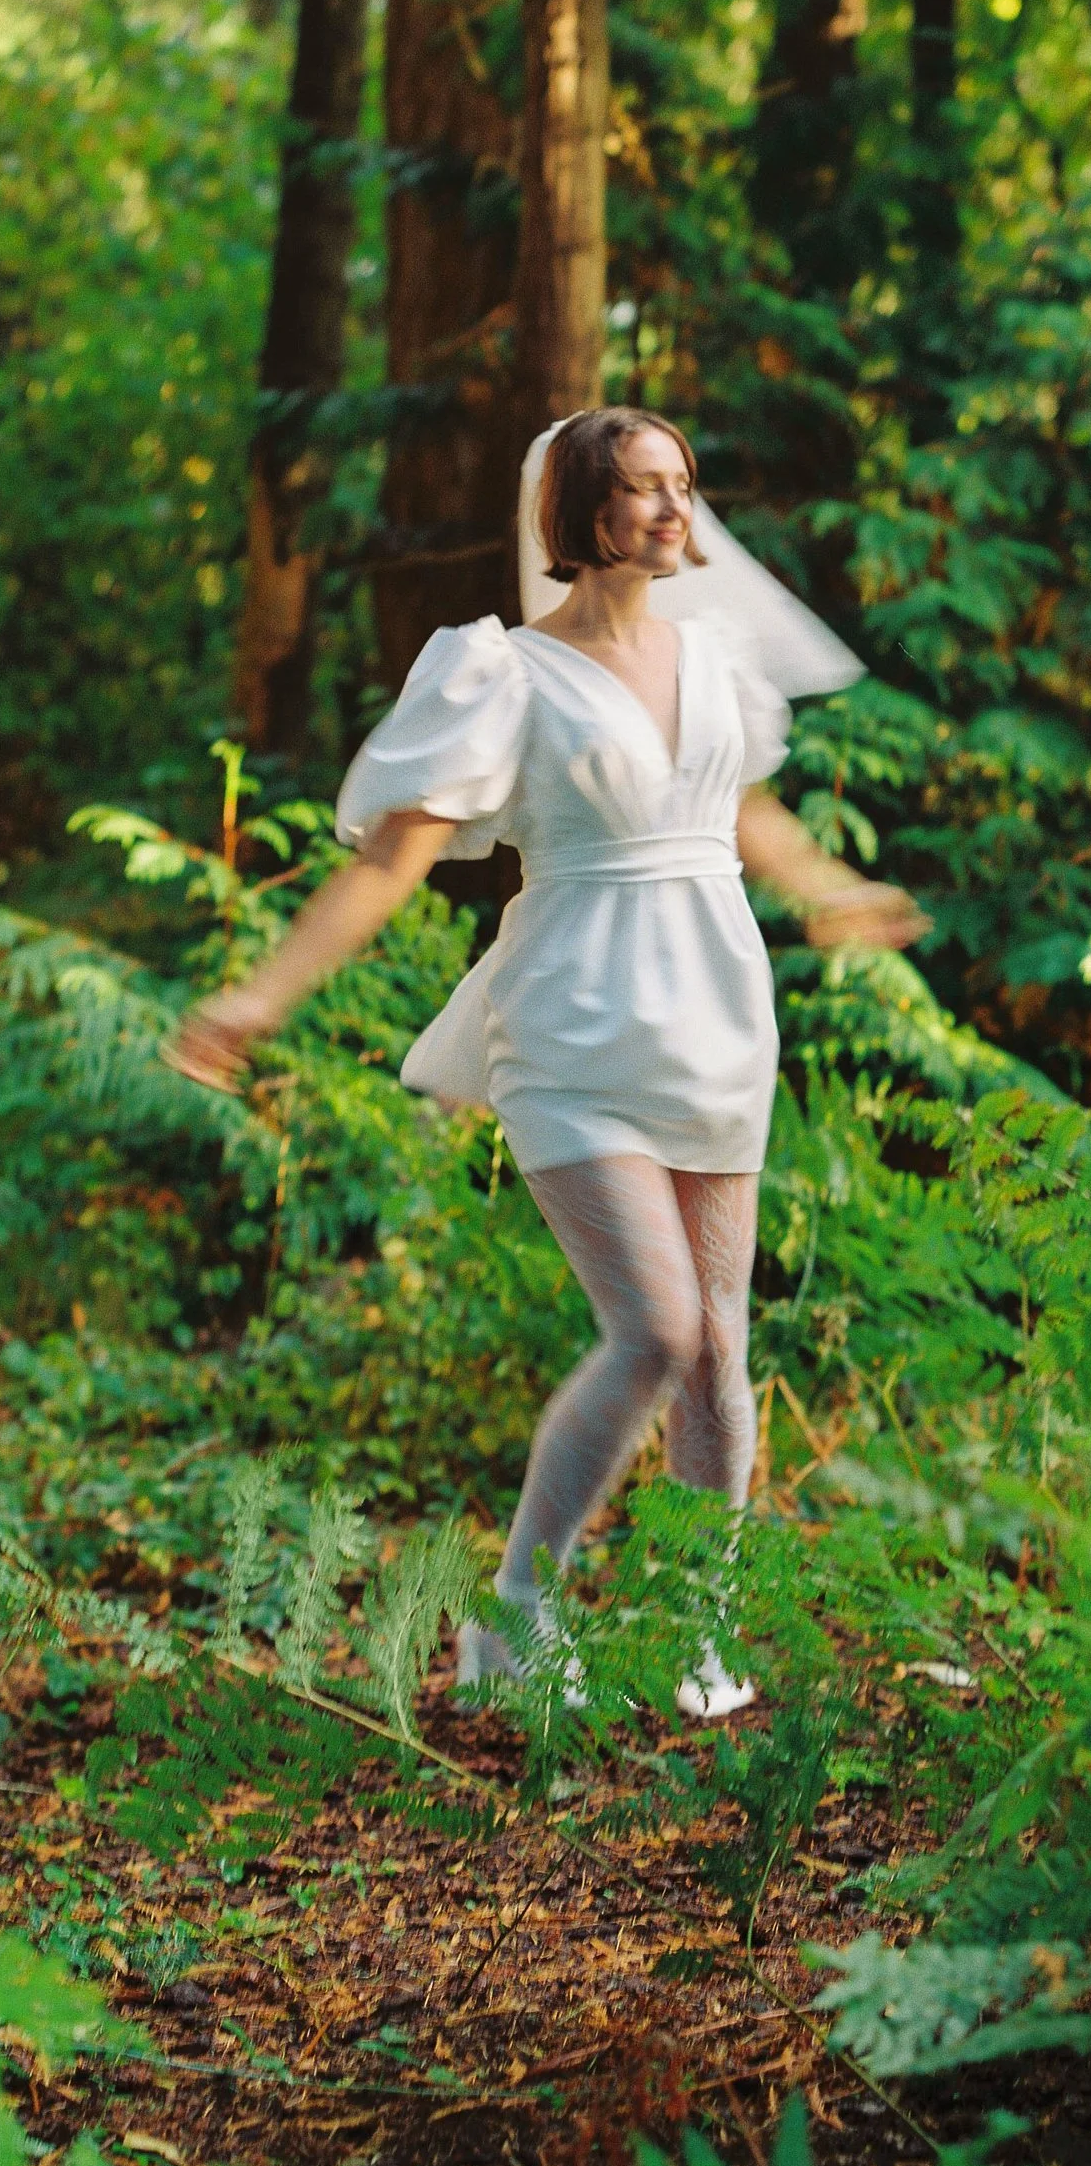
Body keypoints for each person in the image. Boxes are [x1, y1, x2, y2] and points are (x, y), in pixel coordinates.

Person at [163, 406, 925, 1717]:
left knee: (720, 1347)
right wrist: (258, 996)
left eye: (684, 483)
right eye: (643, 488)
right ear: (579, 513)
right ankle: (516, 1615)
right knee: (657, 1328)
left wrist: (831, 892)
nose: (675, 509)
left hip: (717, 1017)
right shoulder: (503, 676)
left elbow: (742, 809)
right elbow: (389, 865)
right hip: (573, 1021)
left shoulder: (715, 659)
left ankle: (695, 1630)